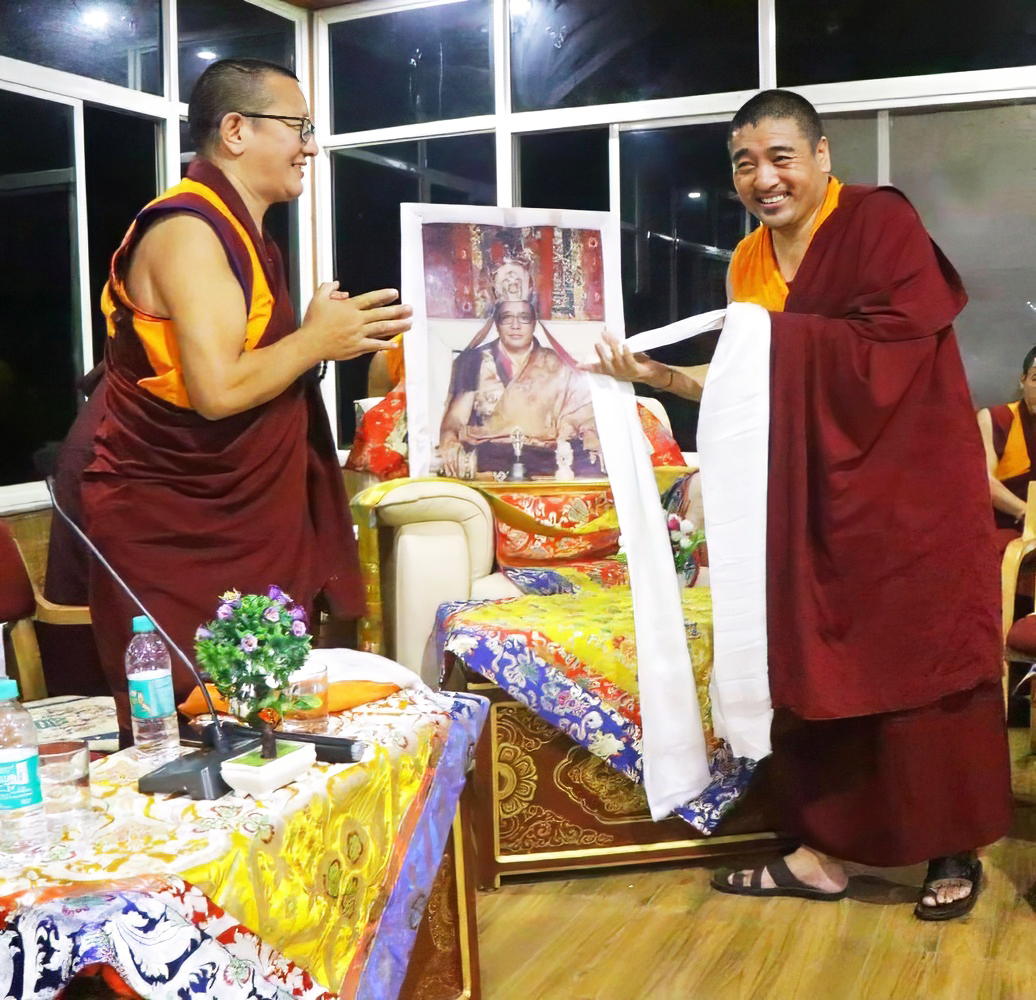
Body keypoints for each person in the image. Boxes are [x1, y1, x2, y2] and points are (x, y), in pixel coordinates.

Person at [586, 89, 1012, 921]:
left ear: (821, 156)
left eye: (780, 155)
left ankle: (947, 848)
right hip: (808, 499)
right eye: (743, 162)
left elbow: (893, 346)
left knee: (920, 657)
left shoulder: (878, 222)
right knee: (812, 658)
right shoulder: (748, 262)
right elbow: (745, 380)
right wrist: (658, 378)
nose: (763, 177)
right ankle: (818, 852)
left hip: (906, 486)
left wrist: (773, 344)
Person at [50, 58, 412, 742]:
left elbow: (247, 369)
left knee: (265, 698)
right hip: (172, 505)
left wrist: (314, 340)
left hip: (231, 501)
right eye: (298, 126)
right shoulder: (188, 231)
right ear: (237, 130)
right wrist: (312, 343)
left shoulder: (244, 233)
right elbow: (217, 394)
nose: (310, 145)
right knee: (196, 711)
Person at [438, 298, 601, 478]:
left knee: (587, 461)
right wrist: (448, 438)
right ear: (497, 324)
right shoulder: (474, 361)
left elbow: (580, 412)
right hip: (489, 454)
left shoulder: (556, 365)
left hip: (543, 456)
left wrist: (590, 436)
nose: (515, 325)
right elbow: (455, 417)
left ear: (533, 324)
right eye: (507, 317)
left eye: (523, 317)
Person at [977, 346, 1036, 550]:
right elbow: (985, 482)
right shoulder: (996, 419)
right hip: (1007, 530)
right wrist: (1026, 512)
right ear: (1023, 380)